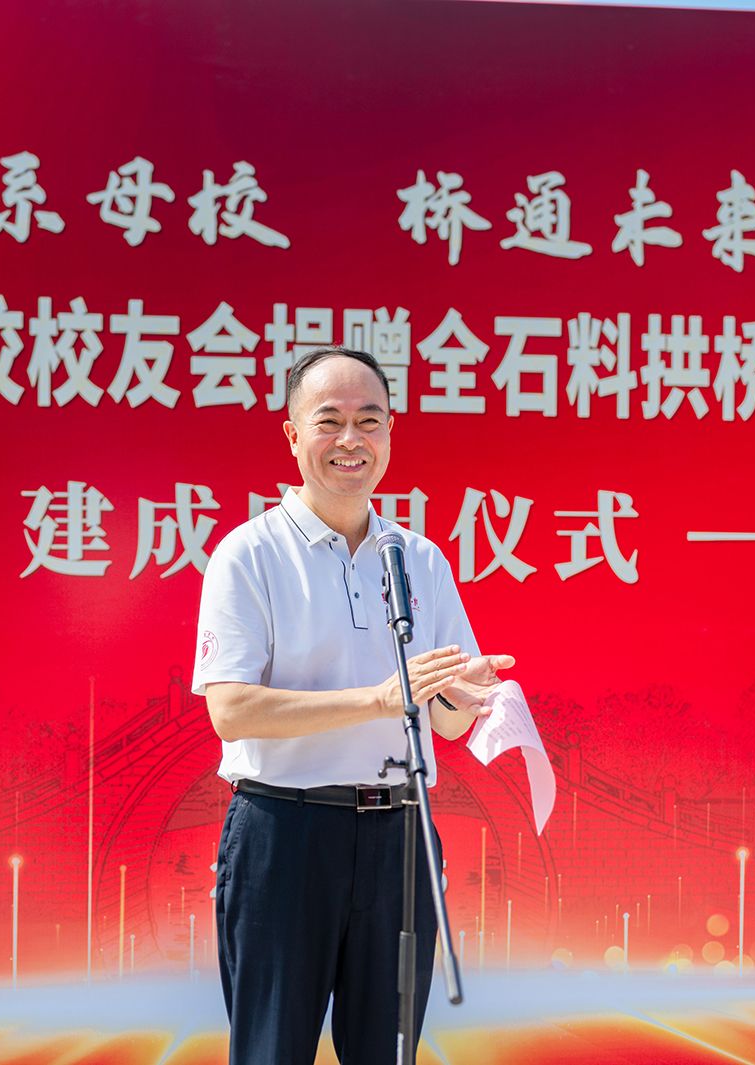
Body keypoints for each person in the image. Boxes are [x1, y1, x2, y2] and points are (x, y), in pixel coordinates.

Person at [193, 346, 515, 1064]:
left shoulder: (419, 559)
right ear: (292, 435)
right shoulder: (250, 553)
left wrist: (465, 695)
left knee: (389, 1053)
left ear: (391, 432)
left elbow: (443, 723)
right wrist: (378, 698)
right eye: (329, 420)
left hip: (401, 835)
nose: (351, 440)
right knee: (272, 1051)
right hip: (285, 832)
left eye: (369, 421)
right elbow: (231, 709)